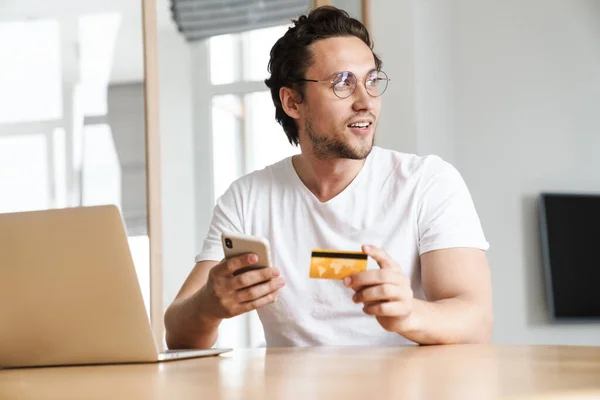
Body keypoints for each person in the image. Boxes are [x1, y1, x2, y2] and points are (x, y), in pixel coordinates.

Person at [164, 6, 493, 349]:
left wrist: (409, 314)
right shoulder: (249, 198)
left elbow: (476, 320)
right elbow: (178, 333)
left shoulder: (427, 183)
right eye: (342, 84)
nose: (366, 101)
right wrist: (207, 306)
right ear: (293, 101)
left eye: (371, 80)